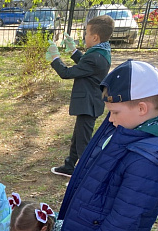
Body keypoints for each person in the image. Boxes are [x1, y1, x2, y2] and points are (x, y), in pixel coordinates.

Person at [58, 59, 158, 231]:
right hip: (80, 229)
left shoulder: (149, 160)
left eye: (113, 112)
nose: (109, 119)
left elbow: (124, 220)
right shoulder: (126, 124)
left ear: (142, 108)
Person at [47, 15, 114, 178]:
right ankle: (70, 166)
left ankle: (86, 174)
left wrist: (55, 57)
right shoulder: (101, 51)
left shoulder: (95, 57)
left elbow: (67, 73)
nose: (84, 36)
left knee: (83, 142)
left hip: (88, 104)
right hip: (90, 102)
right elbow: (86, 64)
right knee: (78, 137)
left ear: (95, 37)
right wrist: (74, 51)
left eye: (86, 33)